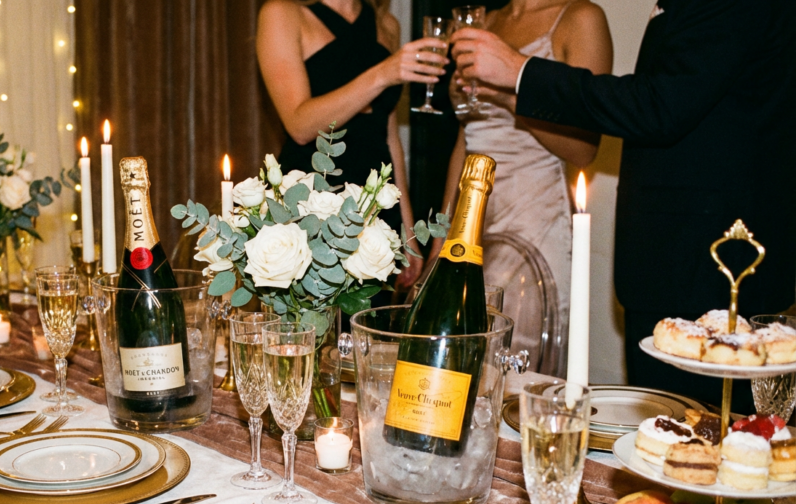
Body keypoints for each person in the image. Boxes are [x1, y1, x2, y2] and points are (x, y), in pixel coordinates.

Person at [451, 0, 796, 410]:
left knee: (709, 429)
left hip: (713, 256)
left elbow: (659, 105)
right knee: (671, 425)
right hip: (675, 254)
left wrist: (520, 72)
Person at [435, 0, 612, 376]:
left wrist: (505, 96)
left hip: (534, 223)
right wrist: (440, 237)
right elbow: (466, 140)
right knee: (456, 370)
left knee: (513, 376)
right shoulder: (485, 20)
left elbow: (584, 149)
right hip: (472, 225)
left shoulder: (580, 19)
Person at [256, 0, 448, 289]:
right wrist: (382, 74)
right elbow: (299, 126)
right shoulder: (283, 13)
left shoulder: (386, 24)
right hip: (313, 199)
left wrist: (407, 232)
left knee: (373, 325)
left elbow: (390, 136)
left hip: (374, 208)